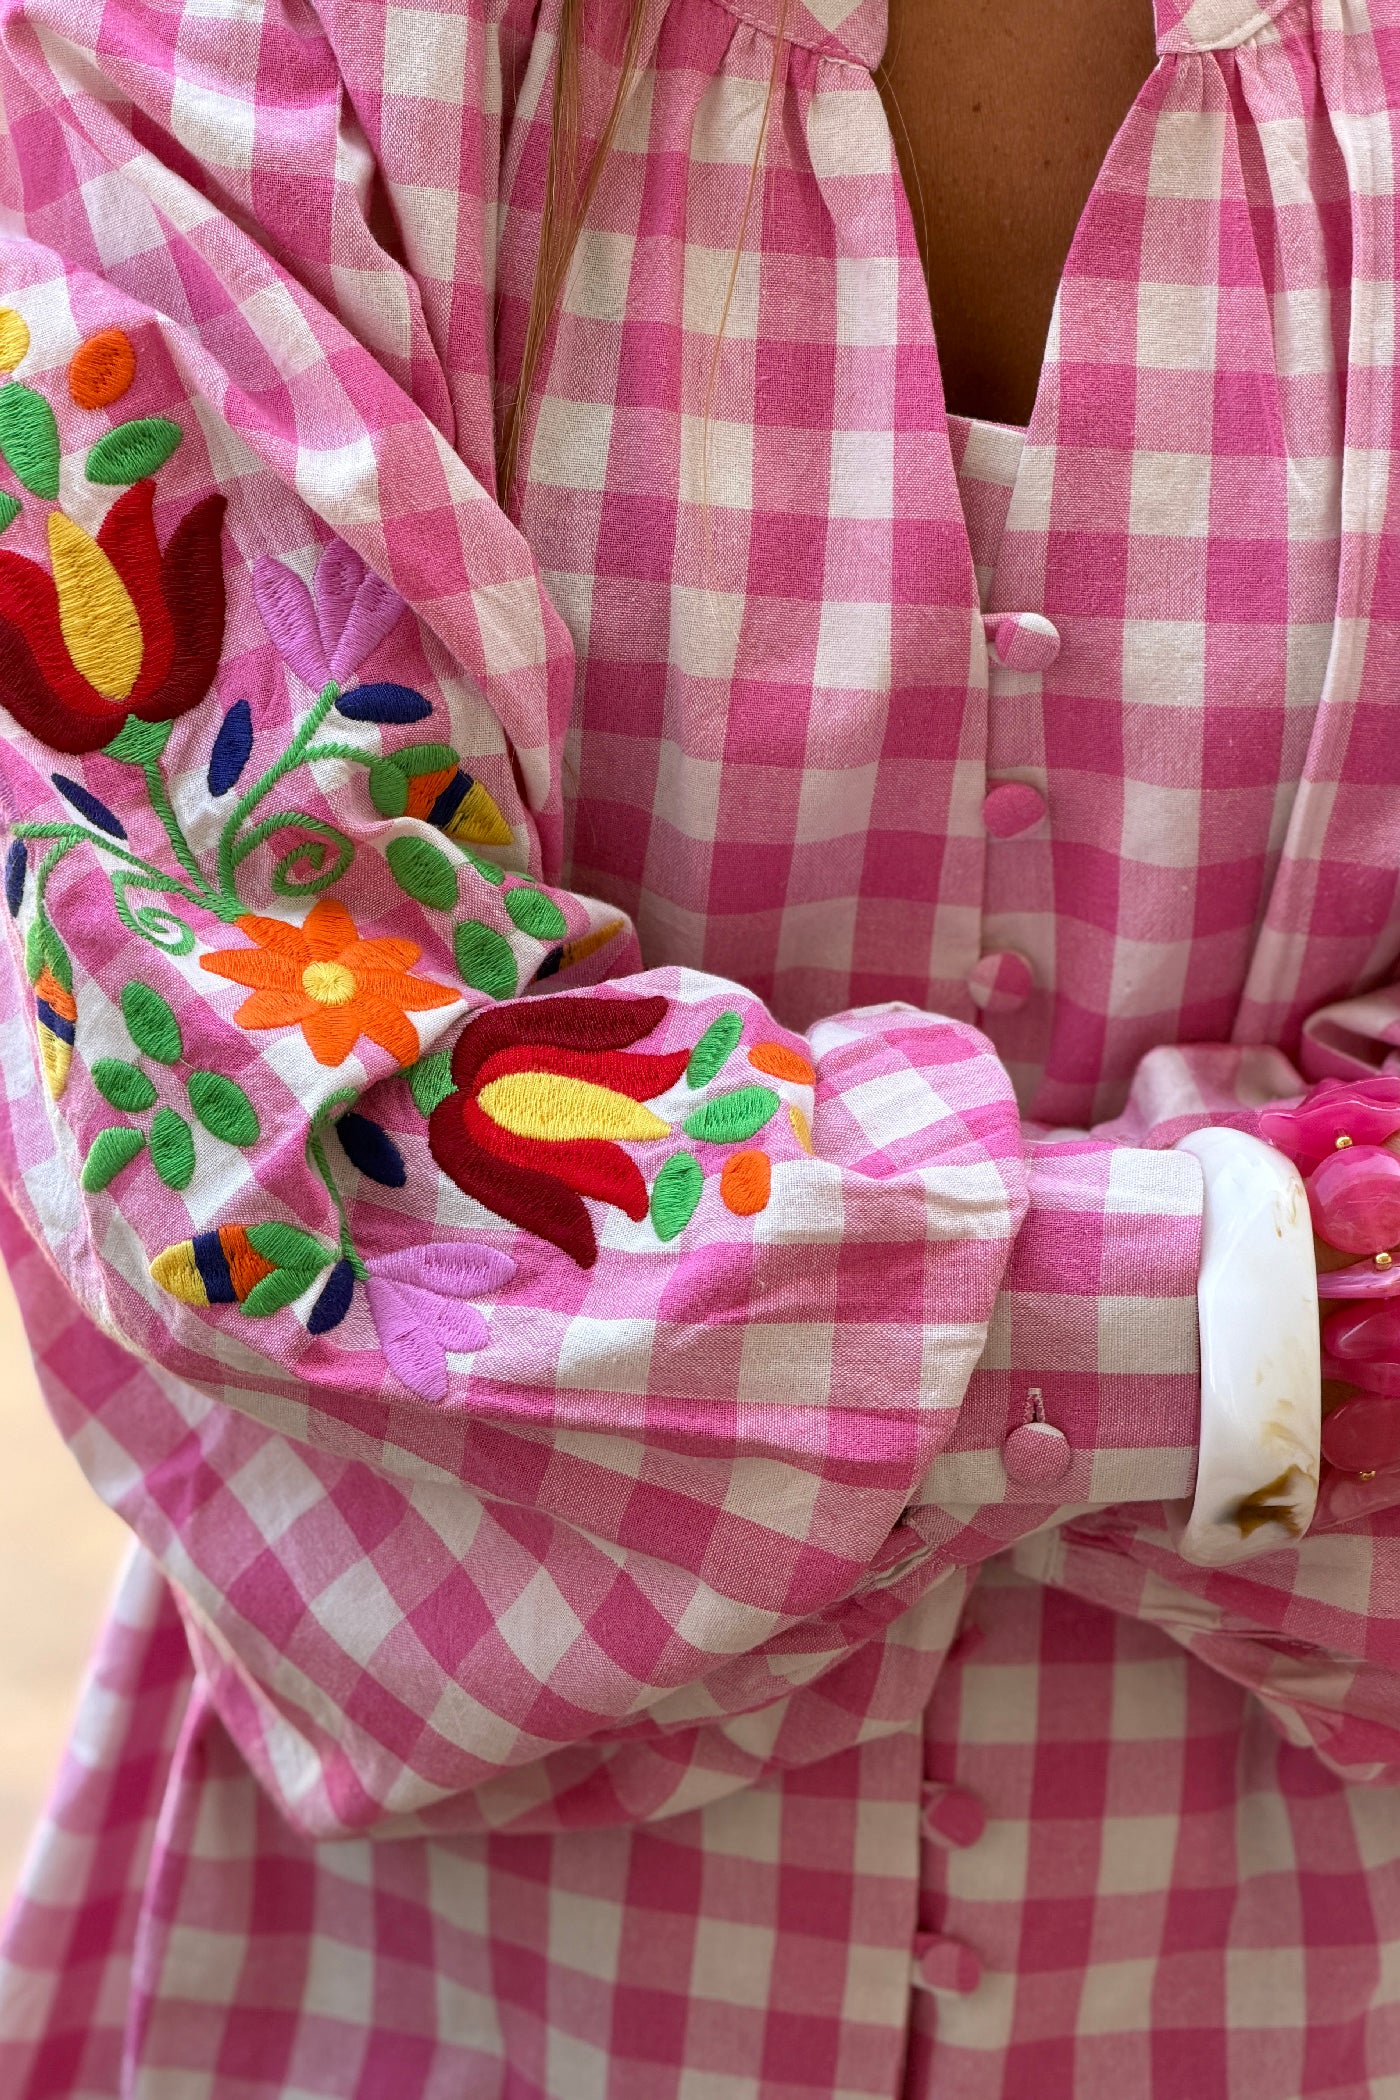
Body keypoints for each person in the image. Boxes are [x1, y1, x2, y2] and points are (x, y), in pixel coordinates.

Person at [0, 0, 1395, 2092]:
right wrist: (1275, 1308)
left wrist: (715, 1347)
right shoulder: (235, 35)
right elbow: (244, 1134)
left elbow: (340, 1180)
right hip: (444, 2003)